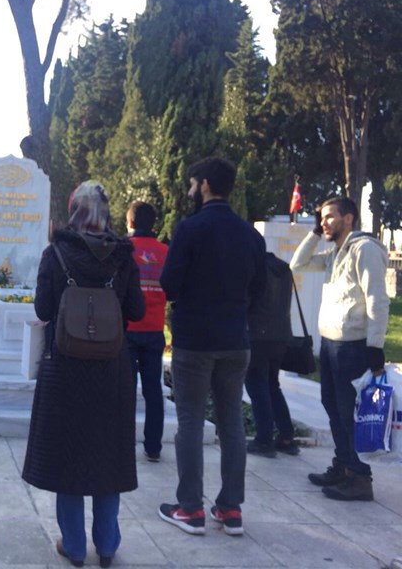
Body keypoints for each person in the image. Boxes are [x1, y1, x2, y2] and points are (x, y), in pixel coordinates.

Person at [22, 181, 145, 568]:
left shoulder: (56, 253)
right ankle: (107, 545)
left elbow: (43, 308)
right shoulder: (123, 256)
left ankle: (74, 546)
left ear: (74, 209)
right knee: (108, 456)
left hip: (66, 370)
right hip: (111, 370)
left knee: (68, 457)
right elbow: (137, 310)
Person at [158, 157, 266, 537]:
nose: (190, 190)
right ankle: (230, 508)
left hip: (195, 340)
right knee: (231, 421)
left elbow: (168, 284)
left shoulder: (190, 228)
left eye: (192, 184)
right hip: (235, 339)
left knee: (190, 420)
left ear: (204, 184)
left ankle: (190, 508)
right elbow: (260, 290)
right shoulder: (250, 235)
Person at [290, 196, 390, 501]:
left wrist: (375, 345)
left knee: (349, 412)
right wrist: (315, 232)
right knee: (333, 407)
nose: (324, 222)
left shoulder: (364, 249)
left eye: (330, 217)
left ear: (348, 218)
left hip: (353, 347)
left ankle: (359, 478)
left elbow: (377, 299)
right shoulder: (334, 252)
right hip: (331, 344)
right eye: (321, 218)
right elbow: (297, 264)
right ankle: (344, 465)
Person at [125, 201, 169, 462]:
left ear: (130, 222)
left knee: (126, 389)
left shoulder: (124, 249)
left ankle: (122, 442)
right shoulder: (165, 251)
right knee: (153, 390)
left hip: (128, 328)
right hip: (154, 328)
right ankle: (153, 446)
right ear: (154, 223)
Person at [244, 252, 299, 458]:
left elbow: (248, 301)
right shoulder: (282, 268)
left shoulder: (254, 268)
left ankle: (264, 439)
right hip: (281, 335)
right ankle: (286, 437)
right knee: (272, 385)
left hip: (257, 334)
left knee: (256, 385)